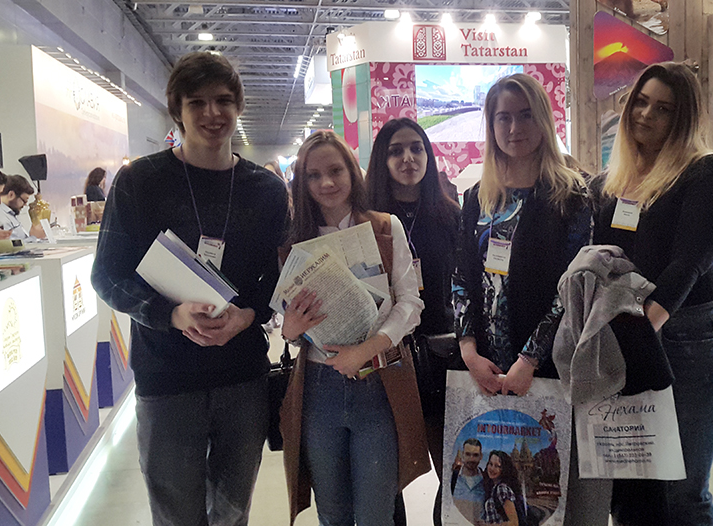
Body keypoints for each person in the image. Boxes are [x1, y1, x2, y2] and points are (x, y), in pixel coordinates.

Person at [91, 52, 290, 526]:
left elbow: (277, 278)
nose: (212, 113)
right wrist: (170, 315)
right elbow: (108, 274)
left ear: (238, 107)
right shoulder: (139, 182)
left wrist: (248, 314)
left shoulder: (265, 190)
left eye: (223, 100)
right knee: (176, 516)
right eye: (196, 102)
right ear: (177, 110)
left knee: (233, 513)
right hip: (166, 377)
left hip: (242, 375)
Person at [590, 62, 713, 525]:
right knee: (629, 491)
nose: (646, 115)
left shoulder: (705, 172)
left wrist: (641, 334)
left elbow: (688, 264)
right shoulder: (613, 180)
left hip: (686, 341)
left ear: (683, 118)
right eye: (641, 102)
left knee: (680, 494)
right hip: (625, 335)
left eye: (664, 109)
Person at [278, 129, 428, 526]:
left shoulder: (385, 227)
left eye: (335, 171)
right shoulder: (294, 242)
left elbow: (410, 303)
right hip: (318, 387)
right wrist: (289, 328)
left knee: (376, 513)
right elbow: (283, 322)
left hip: (379, 380)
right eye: (313, 175)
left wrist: (367, 349)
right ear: (301, 182)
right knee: (333, 514)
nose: (326, 183)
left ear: (352, 171)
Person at [453, 73, 590, 400]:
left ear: (543, 119)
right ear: (492, 126)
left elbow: (573, 287)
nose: (515, 128)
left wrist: (530, 359)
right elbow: (461, 276)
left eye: (526, 115)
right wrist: (468, 351)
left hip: (547, 368)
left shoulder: (571, 196)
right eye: (504, 118)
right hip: (482, 368)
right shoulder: (477, 198)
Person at [365, 118, 461, 526]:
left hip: (441, 357)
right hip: (386, 356)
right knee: (387, 479)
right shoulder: (368, 222)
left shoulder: (451, 215)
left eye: (416, 148)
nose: (408, 158)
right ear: (382, 161)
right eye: (396, 150)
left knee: (454, 473)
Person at [481, 451, 523, 526]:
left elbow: (514, 523)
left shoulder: (501, 489)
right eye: (490, 464)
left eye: (497, 466)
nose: (492, 469)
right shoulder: (493, 488)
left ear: (504, 469)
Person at [451, 438, 487, 524]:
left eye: (475, 455)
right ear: (462, 455)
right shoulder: (452, 478)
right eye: (468, 454)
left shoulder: (487, 481)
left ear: (481, 456)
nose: (471, 459)